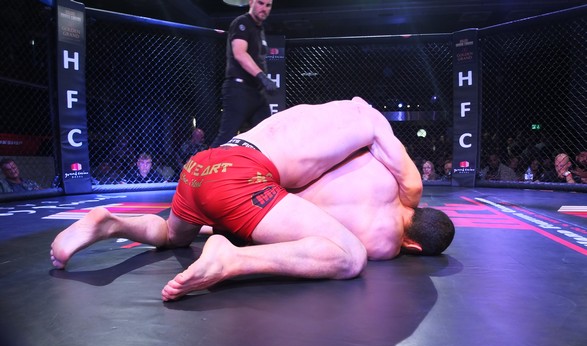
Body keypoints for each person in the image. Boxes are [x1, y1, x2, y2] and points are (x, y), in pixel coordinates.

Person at [51, 97, 455, 302]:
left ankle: (110, 221)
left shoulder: (352, 126)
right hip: (243, 177)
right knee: (351, 256)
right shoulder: (381, 149)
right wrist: (410, 196)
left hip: (205, 163)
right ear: (413, 244)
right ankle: (231, 260)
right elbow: (410, 188)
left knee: (172, 235)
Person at [209, 0, 276, 148]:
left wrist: (262, 81)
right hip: (239, 90)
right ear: (251, 2)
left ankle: (257, 164)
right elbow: (239, 53)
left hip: (257, 93)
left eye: (268, 5)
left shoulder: (259, 29)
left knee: (266, 137)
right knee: (226, 137)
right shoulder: (242, 22)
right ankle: (201, 163)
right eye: (261, 3)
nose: (264, 8)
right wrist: (262, 77)